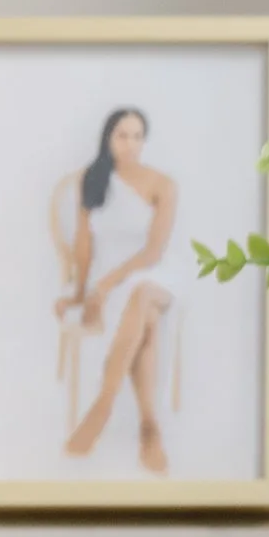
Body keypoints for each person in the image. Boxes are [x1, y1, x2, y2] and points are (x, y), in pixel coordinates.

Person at [55, 106, 178, 470]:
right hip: (108, 285)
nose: (129, 144)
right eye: (121, 135)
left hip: (158, 275)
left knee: (142, 296)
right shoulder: (91, 182)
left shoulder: (163, 185)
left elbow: (154, 251)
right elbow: (84, 245)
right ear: (108, 139)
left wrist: (109, 282)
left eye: (137, 136)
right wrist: (80, 292)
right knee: (147, 321)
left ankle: (102, 406)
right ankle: (149, 428)